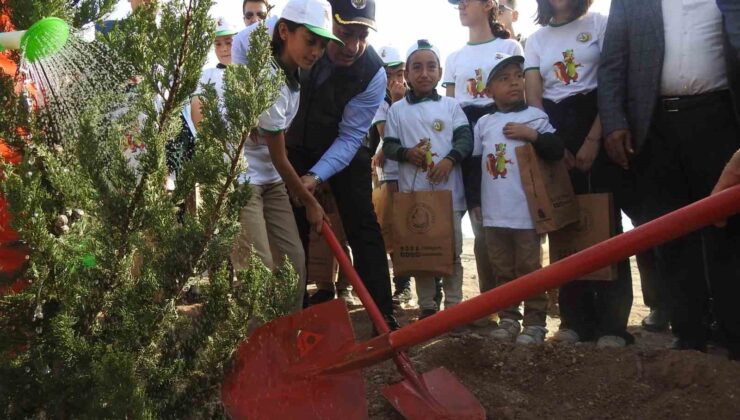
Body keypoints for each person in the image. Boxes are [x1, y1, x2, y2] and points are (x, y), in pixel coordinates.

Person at [599, 0, 740, 358]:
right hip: (656, 128)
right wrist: (615, 122)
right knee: (671, 234)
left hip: (720, 120)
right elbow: (612, 62)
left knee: (728, 231)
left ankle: (733, 333)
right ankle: (688, 332)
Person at [195, 0, 342, 312]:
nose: (315, 52)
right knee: (256, 269)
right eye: (310, 41)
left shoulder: (292, 71)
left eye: (322, 44)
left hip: (271, 179)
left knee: (294, 263)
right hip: (241, 178)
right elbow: (280, 156)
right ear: (286, 33)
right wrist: (311, 203)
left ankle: (289, 343)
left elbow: (253, 35)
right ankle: (254, 347)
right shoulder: (269, 80)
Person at [525, 0, 633, 348]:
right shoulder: (536, 39)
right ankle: (573, 320)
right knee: (565, 225)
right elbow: (534, 99)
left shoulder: (601, 23)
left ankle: (613, 325)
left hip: (597, 120)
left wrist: (593, 139)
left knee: (605, 222)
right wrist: (555, 144)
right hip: (554, 129)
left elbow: (611, 81)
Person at [285, 0, 399, 328]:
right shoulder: (297, 44)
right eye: (344, 33)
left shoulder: (373, 72)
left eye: (362, 34)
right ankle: (295, 313)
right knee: (294, 227)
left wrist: (317, 176)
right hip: (294, 145)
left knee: (362, 224)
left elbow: (350, 138)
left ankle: (382, 316)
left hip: (346, 149)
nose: (353, 47)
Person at [470, 53, 565, 345]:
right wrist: (475, 202)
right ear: (488, 90)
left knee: (529, 268)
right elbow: (475, 165)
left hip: (526, 213)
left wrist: (532, 135)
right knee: (502, 268)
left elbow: (556, 149)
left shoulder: (535, 117)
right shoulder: (484, 122)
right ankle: (509, 318)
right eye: (503, 78)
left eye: (517, 76)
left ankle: (536, 323)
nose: (513, 83)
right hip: (494, 213)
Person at [444, 0, 522, 327]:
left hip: (503, 136)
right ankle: (492, 304)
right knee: (481, 229)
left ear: (489, 3)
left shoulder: (510, 46)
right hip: (467, 146)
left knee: (511, 226)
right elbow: (448, 112)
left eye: (466, 0)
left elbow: (523, 97)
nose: (460, 5)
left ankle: (516, 309)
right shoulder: (453, 58)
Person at [383, 40, 473, 320]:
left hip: (449, 196)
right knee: (423, 254)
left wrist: (449, 160)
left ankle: (455, 305)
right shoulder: (396, 111)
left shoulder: (451, 106)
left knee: (452, 252)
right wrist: (407, 154)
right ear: (407, 74)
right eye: (417, 67)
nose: (424, 73)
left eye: (431, 67)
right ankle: (428, 307)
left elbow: (465, 138)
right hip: (416, 195)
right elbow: (388, 146)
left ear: (440, 71)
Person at [369, 45, 413, 307]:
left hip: (415, 172)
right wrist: (397, 103)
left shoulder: (419, 96)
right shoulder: (379, 102)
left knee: (417, 226)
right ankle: (403, 286)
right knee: (394, 231)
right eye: (387, 74)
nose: (394, 80)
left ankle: (431, 288)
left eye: (398, 72)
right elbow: (390, 137)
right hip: (391, 174)